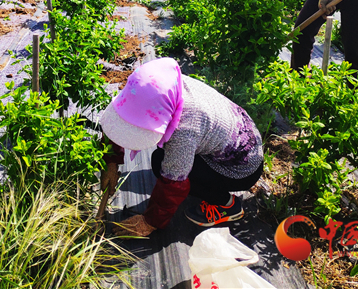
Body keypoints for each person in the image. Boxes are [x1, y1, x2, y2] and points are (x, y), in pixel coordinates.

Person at [99, 58, 263, 238]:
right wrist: (111, 162)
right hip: (231, 137)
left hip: (242, 168)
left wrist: (149, 222)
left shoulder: (184, 129)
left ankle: (226, 205)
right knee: (164, 159)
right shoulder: (158, 85)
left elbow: (174, 183)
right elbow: (122, 114)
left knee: (161, 164)